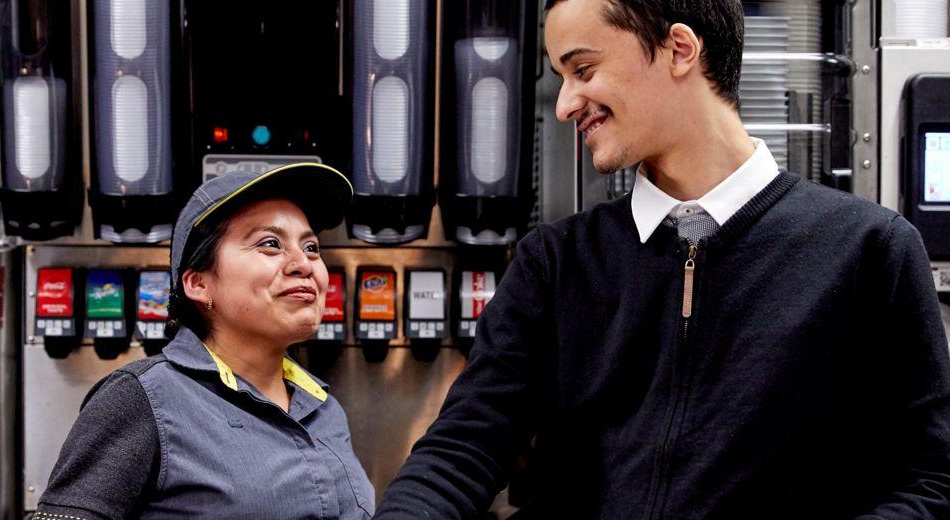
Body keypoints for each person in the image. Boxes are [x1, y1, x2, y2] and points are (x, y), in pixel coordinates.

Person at [376, 0, 950, 518]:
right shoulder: (554, 263)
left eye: (584, 70)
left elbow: (929, 480)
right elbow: (462, 450)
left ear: (679, 50)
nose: (566, 105)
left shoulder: (870, 251)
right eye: (562, 78)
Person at [37, 163, 375, 519]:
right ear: (199, 284)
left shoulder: (324, 409)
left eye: (311, 247)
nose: (304, 264)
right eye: (271, 244)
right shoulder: (144, 399)